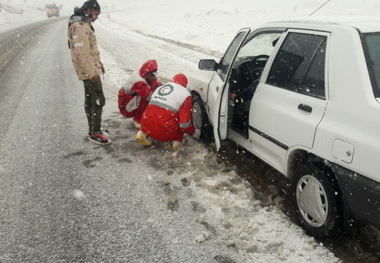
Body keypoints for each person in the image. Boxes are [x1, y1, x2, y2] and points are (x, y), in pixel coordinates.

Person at [67, 0, 110, 145]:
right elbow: (82, 53)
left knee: (91, 100)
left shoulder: (82, 23)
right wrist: (92, 73)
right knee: (98, 100)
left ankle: (93, 129)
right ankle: (95, 133)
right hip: (89, 71)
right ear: (88, 10)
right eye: (96, 13)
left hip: (88, 70)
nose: (97, 17)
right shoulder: (79, 26)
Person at [136, 74, 195, 150]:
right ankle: (176, 143)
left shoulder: (161, 87)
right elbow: (184, 124)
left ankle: (141, 134)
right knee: (179, 122)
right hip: (166, 131)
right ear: (185, 84)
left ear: (173, 80)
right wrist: (192, 131)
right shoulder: (186, 94)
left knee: (153, 111)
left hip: (146, 124)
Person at [118, 60, 161, 128]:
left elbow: (154, 84)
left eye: (154, 75)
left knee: (148, 95)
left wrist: (160, 86)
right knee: (145, 100)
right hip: (125, 105)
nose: (154, 77)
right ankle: (138, 120)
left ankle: (140, 117)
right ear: (146, 73)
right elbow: (150, 97)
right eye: (151, 75)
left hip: (130, 99)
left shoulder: (143, 74)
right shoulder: (139, 82)